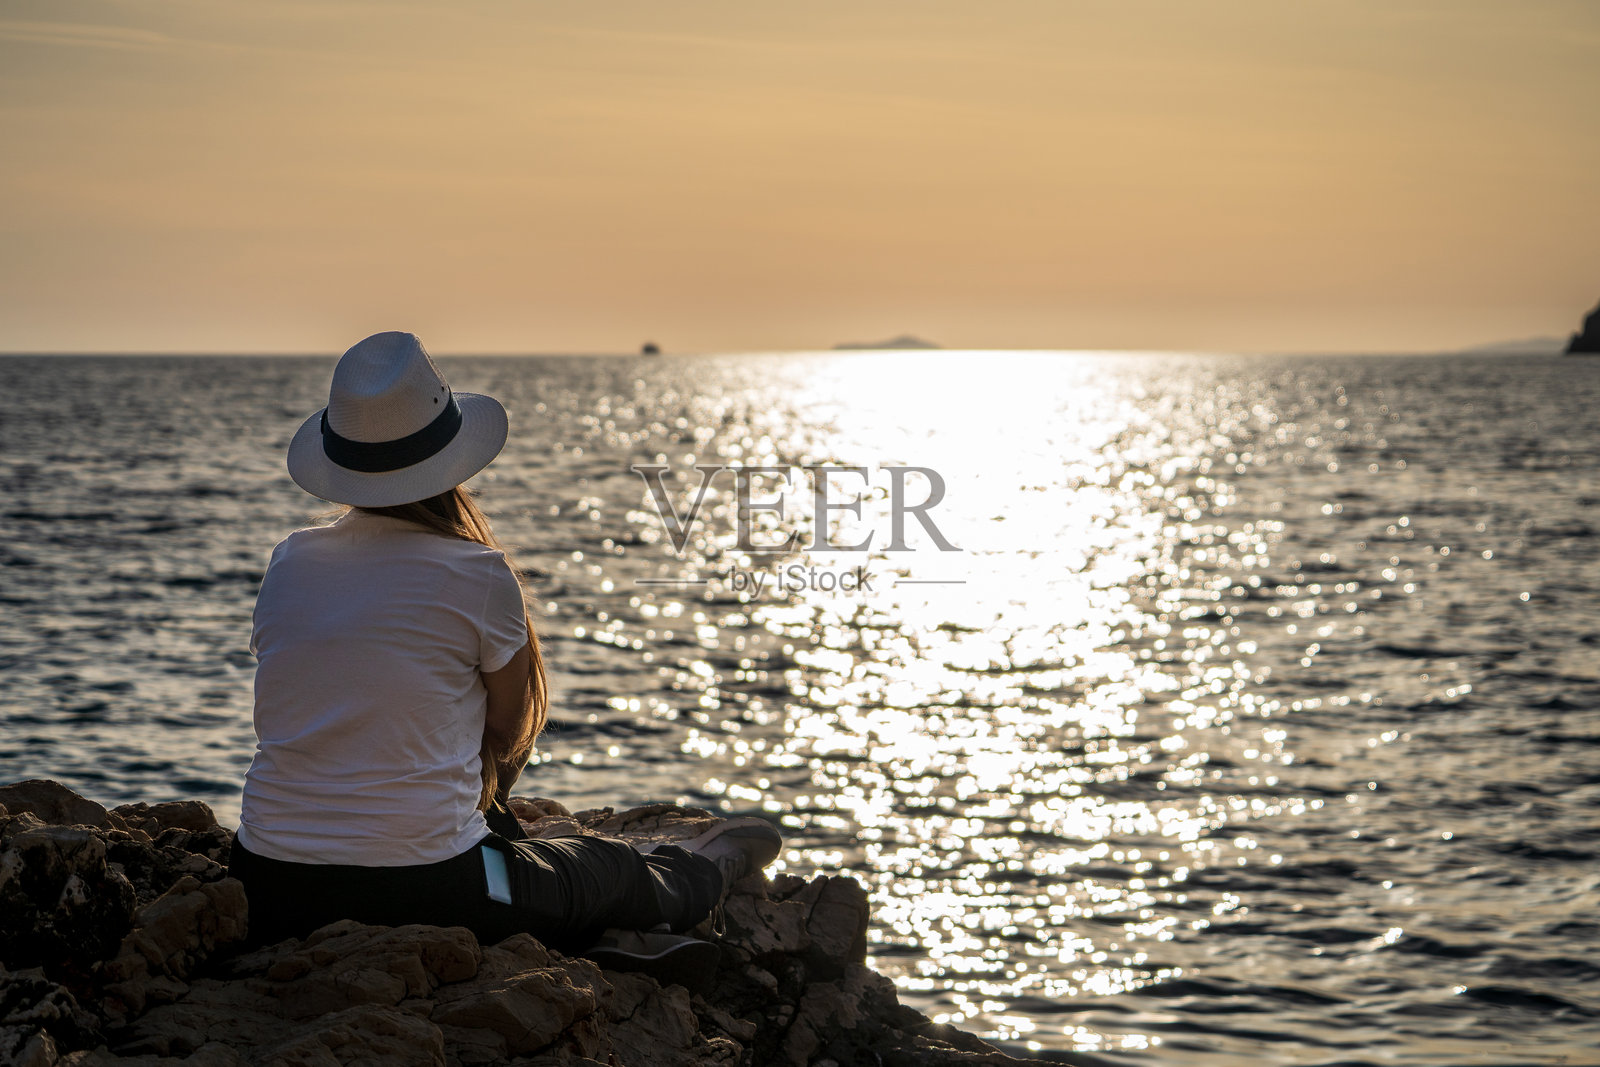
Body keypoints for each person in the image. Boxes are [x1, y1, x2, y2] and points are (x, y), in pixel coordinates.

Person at [227, 331, 780, 967]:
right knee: (605, 868)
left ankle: (602, 936)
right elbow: (508, 724)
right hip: (432, 887)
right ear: (451, 461)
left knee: (527, 871)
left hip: (267, 884)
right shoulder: (477, 573)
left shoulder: (288, 560)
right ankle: (701, 877)